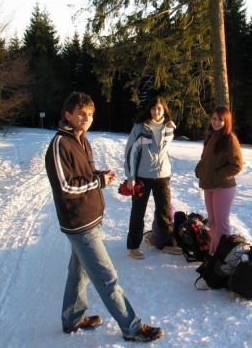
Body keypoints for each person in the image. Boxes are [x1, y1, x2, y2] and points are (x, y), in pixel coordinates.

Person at [45, 92, 163, 342]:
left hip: (91, 217)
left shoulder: (82, 140)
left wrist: (100, 175)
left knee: (79, 273)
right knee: (106, 277)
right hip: (79, 222)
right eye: (80, 113)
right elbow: (66, 186)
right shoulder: (59, 144)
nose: (86, 118)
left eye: (89, 114)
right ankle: (132, 327)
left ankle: (72, 318)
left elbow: (84, 174)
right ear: (68, 115)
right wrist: (97, 180)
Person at [124, 95, 182, 259]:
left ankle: (166, 243)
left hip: (163, 175)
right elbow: (131, 152)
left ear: (164, 110)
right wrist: (130, 176)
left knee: (164, 211)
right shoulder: (140, 127)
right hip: (142, 176)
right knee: (138, 212)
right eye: (153, 108)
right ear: (149, 109)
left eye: (159, 108)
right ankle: (134, 245)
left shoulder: (169, 126)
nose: (156, 111)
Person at [194, 106, 243, 255]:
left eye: (220, 120)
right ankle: (213, 253)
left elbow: (237, 166)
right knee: (213, 222)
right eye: (214, 118)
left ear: (226, 121)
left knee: (221, 224)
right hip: (209, 185)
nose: (216, 122)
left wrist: (216, 175)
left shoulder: (230, 139)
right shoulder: (211, 136)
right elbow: (206, 159)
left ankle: (224, 257)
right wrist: (200, 170)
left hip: (223, 187)